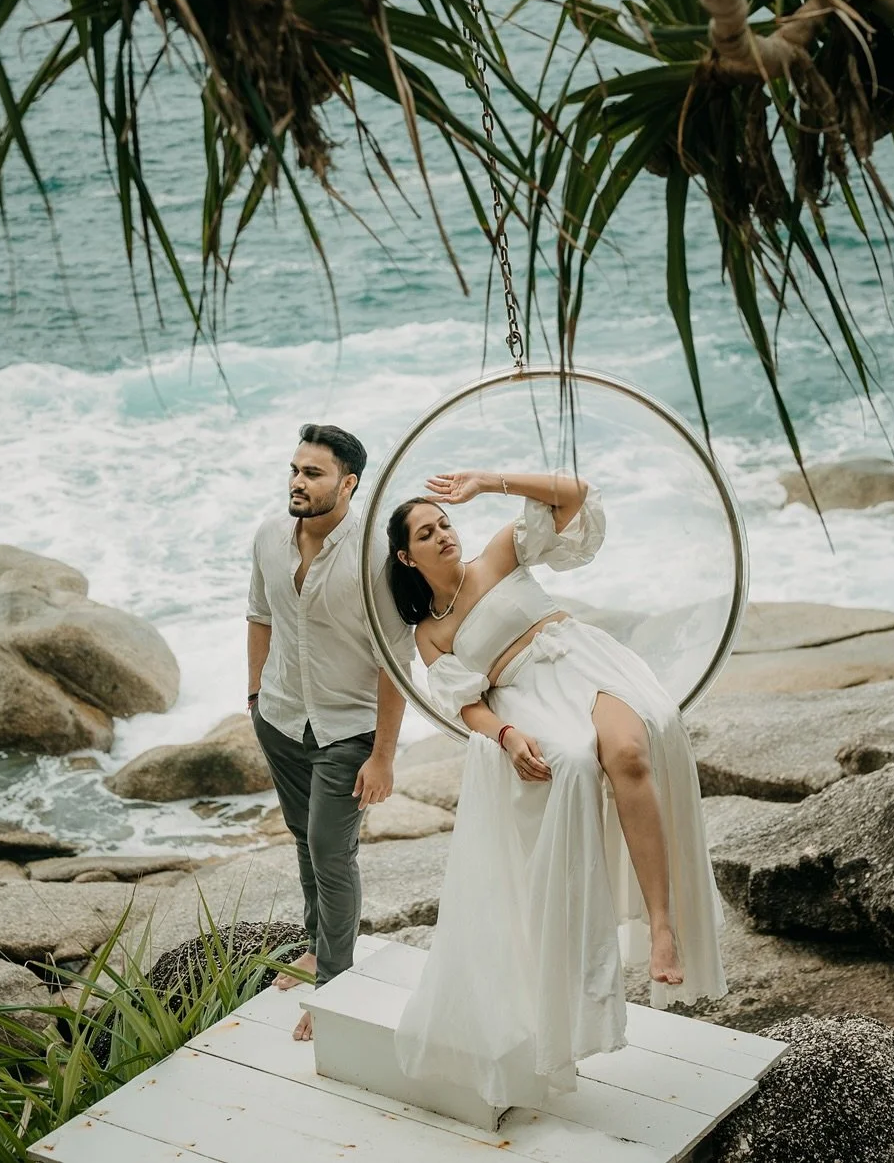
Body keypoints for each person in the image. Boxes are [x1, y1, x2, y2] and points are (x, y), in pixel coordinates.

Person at [385, 468, 726, 1109]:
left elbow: (572, 493)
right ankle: (590, 954)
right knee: (575, 762)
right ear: (407, 556)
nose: (443, 535)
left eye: (444, 522)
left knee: (630, 750)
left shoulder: (497, 554)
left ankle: (662, 924)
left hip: (582, 659)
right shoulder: (427, 634)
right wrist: (507, 734)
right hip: (526, 694)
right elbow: (469, 708)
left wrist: (486, 484)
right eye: (427, 533)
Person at [246, 423, 414, 1043]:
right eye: (294, 469)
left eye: (312, 473)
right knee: (302, 839)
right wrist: (255, 697)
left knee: (331, 854)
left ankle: (335, 986)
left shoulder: (373, 553)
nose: (296, 481)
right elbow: (258, 615)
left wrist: (385, 758)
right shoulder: (269, 536)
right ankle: (318, 947)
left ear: (347, 483)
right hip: (284, 717)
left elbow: (395, 660)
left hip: (349, 729)